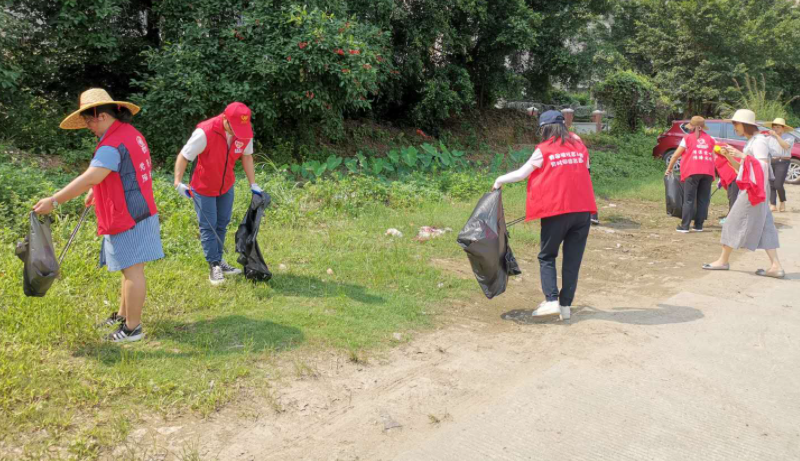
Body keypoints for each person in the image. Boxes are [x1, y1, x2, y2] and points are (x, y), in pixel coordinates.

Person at [33, 88, 164, 342]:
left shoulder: (111, 144)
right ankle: (123, 316)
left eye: (89, 120)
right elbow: (120, 172)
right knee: (130, 270)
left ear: (102, 116)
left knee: (133, 273)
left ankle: (132, 329)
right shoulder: (130, 134)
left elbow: (91, 176)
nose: (88, 126)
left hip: (128, 215)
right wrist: (98, 190)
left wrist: (54, 200)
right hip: (141, 209)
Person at [492, 110, 597, 320]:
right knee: (572, 260)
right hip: (583, 212)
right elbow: (585, 169)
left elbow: (522, 174)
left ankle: (551, 301)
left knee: (547, 256)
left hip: (557, 212)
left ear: (546, 128)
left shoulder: (544, 149)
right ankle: (565, 307)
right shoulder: (580, 147)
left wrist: (499, 180)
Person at [173, 102, 262, 285]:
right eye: (234, 128)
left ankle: (219, 260)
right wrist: (177, 182)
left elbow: (246, 156)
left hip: (226, 186)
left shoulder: (244, 132)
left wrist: (253, 184)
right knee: (209, 226)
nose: (238, 133)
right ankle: (213, 265)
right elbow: (184, 156)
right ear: (225, 119)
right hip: (203, 187)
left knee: (222, 223)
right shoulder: (205, 132)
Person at [702, 109, 784, 278]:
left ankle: (723, 260)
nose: (734, 128)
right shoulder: (752, 141)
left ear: (745, 125)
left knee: (732, 221)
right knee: (765, 225)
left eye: (736, 124)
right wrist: (730, 157)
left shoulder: (759, 142)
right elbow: (743, 169)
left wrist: (742, 156)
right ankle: (776, 266)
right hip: (758, 189)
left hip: (754, 190)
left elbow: (761, 167)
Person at [665, 116, 716, 233]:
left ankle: (685, 226)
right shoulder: (711, 139)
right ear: (703, 127)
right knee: (703, 199)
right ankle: (698, 225)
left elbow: (675, 155)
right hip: (708, 172)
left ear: (692, 126)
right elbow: (714, 157)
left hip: (692, 171)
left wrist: (669, 168)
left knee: (688, 199)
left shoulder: (687, 138)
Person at [762, 118, 795, 213]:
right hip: (771, 161)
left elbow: (785, 146)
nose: (775, 129)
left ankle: (782, 200)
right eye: (774, 127)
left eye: (778, 127)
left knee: (778, 184)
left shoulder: (789, 137)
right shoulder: (768, 139)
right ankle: (773, 204)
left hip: (783, 161)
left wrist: (776, 136)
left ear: (783, 128)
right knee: (771, 183)